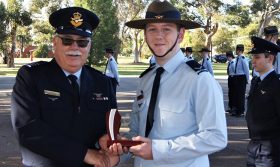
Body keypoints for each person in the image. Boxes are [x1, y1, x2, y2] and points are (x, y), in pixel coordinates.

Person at [100, 1, 227, 166]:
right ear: (145, 35)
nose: (159, 36)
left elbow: (216, 137)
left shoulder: (200, 79)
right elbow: (138, 132)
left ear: (180, 35)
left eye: (167, 29)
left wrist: (158, 150)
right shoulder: (146, 79)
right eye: (152, 29)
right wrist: (120, 148)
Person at [10, 7, 119, 167]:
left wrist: (107, 139)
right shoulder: (32, 77)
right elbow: (27, 129)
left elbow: (111, 122)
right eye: (67, 40)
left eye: (82, 42)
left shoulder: (103, 82)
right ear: (55, 42)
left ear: (89, 46)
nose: (75, 47)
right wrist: (85, 154)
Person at [246, 36, 280, 167]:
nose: (253, 61)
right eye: (253, 57)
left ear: (269, 58)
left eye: (257, 57)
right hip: (254, 145)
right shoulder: (256, 81)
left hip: (272, 147)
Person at [231, 44, 249, 117]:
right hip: (237, 77)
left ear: (240, 50)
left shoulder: (243, 58)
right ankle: (237, 110)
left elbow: (246, 70)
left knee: (241, 95)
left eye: (237, 50)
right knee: (236, 95)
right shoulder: (237, 58)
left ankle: (241, 111)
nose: (236, 51)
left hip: (242, 77)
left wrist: (247, 79)